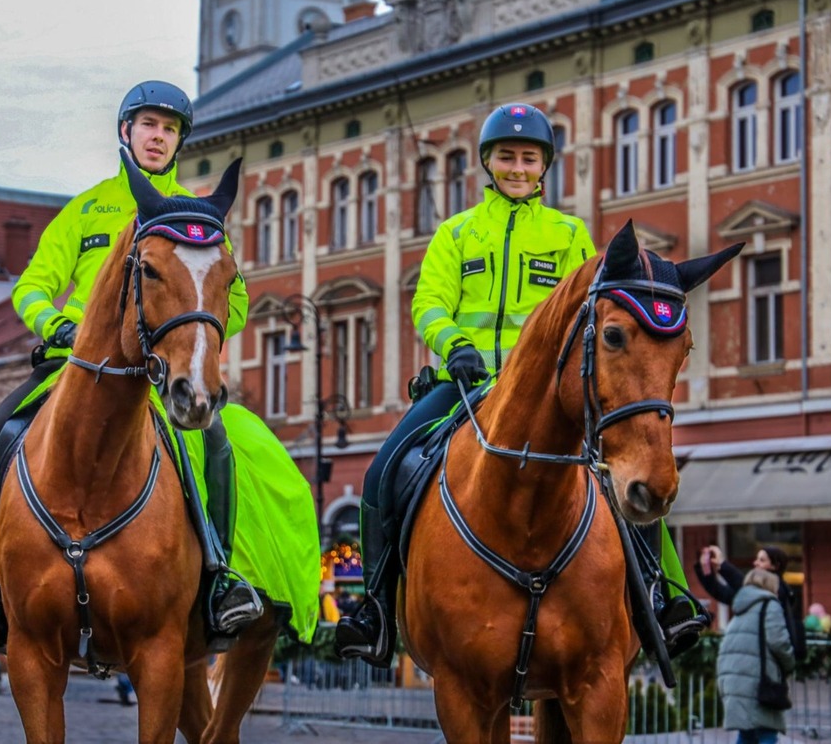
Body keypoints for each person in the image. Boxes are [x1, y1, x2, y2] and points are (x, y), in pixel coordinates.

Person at [336, 102, 706, 668]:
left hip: (546, 392)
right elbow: (428, 302)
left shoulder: (568, 234)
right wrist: (454, 344)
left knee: (626, 469)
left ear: (544, 167)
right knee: (383, 471)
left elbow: (588, 311)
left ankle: (661, 596)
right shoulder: (457, 233)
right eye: (506, 156)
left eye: (528, 158)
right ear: (488, 162)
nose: (517, 167)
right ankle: (376, 610)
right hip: (463, 384)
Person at [0, 80, 264, 653]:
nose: (159, 137)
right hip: (73, 365)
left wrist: (191, 341)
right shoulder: (87, 208)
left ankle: (219, 578)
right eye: (149, 124)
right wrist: (57, 326)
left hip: (158, 373)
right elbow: (32, 286)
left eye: (170, 129)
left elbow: (235, 300)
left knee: (214, 443)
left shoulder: (197, 216)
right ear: (126, 132)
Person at [717, 568, 795, 743]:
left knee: (747, 733)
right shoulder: (769, 605)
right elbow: (779, 642)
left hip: (734, 681)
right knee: (767, 732)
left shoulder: (740, 608)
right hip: (758, 682)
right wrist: (790, 663)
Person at [696, 544, 806, 660]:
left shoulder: (778, 591)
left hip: (767, 660)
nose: (755, 563)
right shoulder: (755, 594)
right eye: (757, 559)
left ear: (775, 566)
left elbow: (746, 587)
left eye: (762, 560)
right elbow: (723, 593)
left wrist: (722, 565)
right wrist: (705, 569)